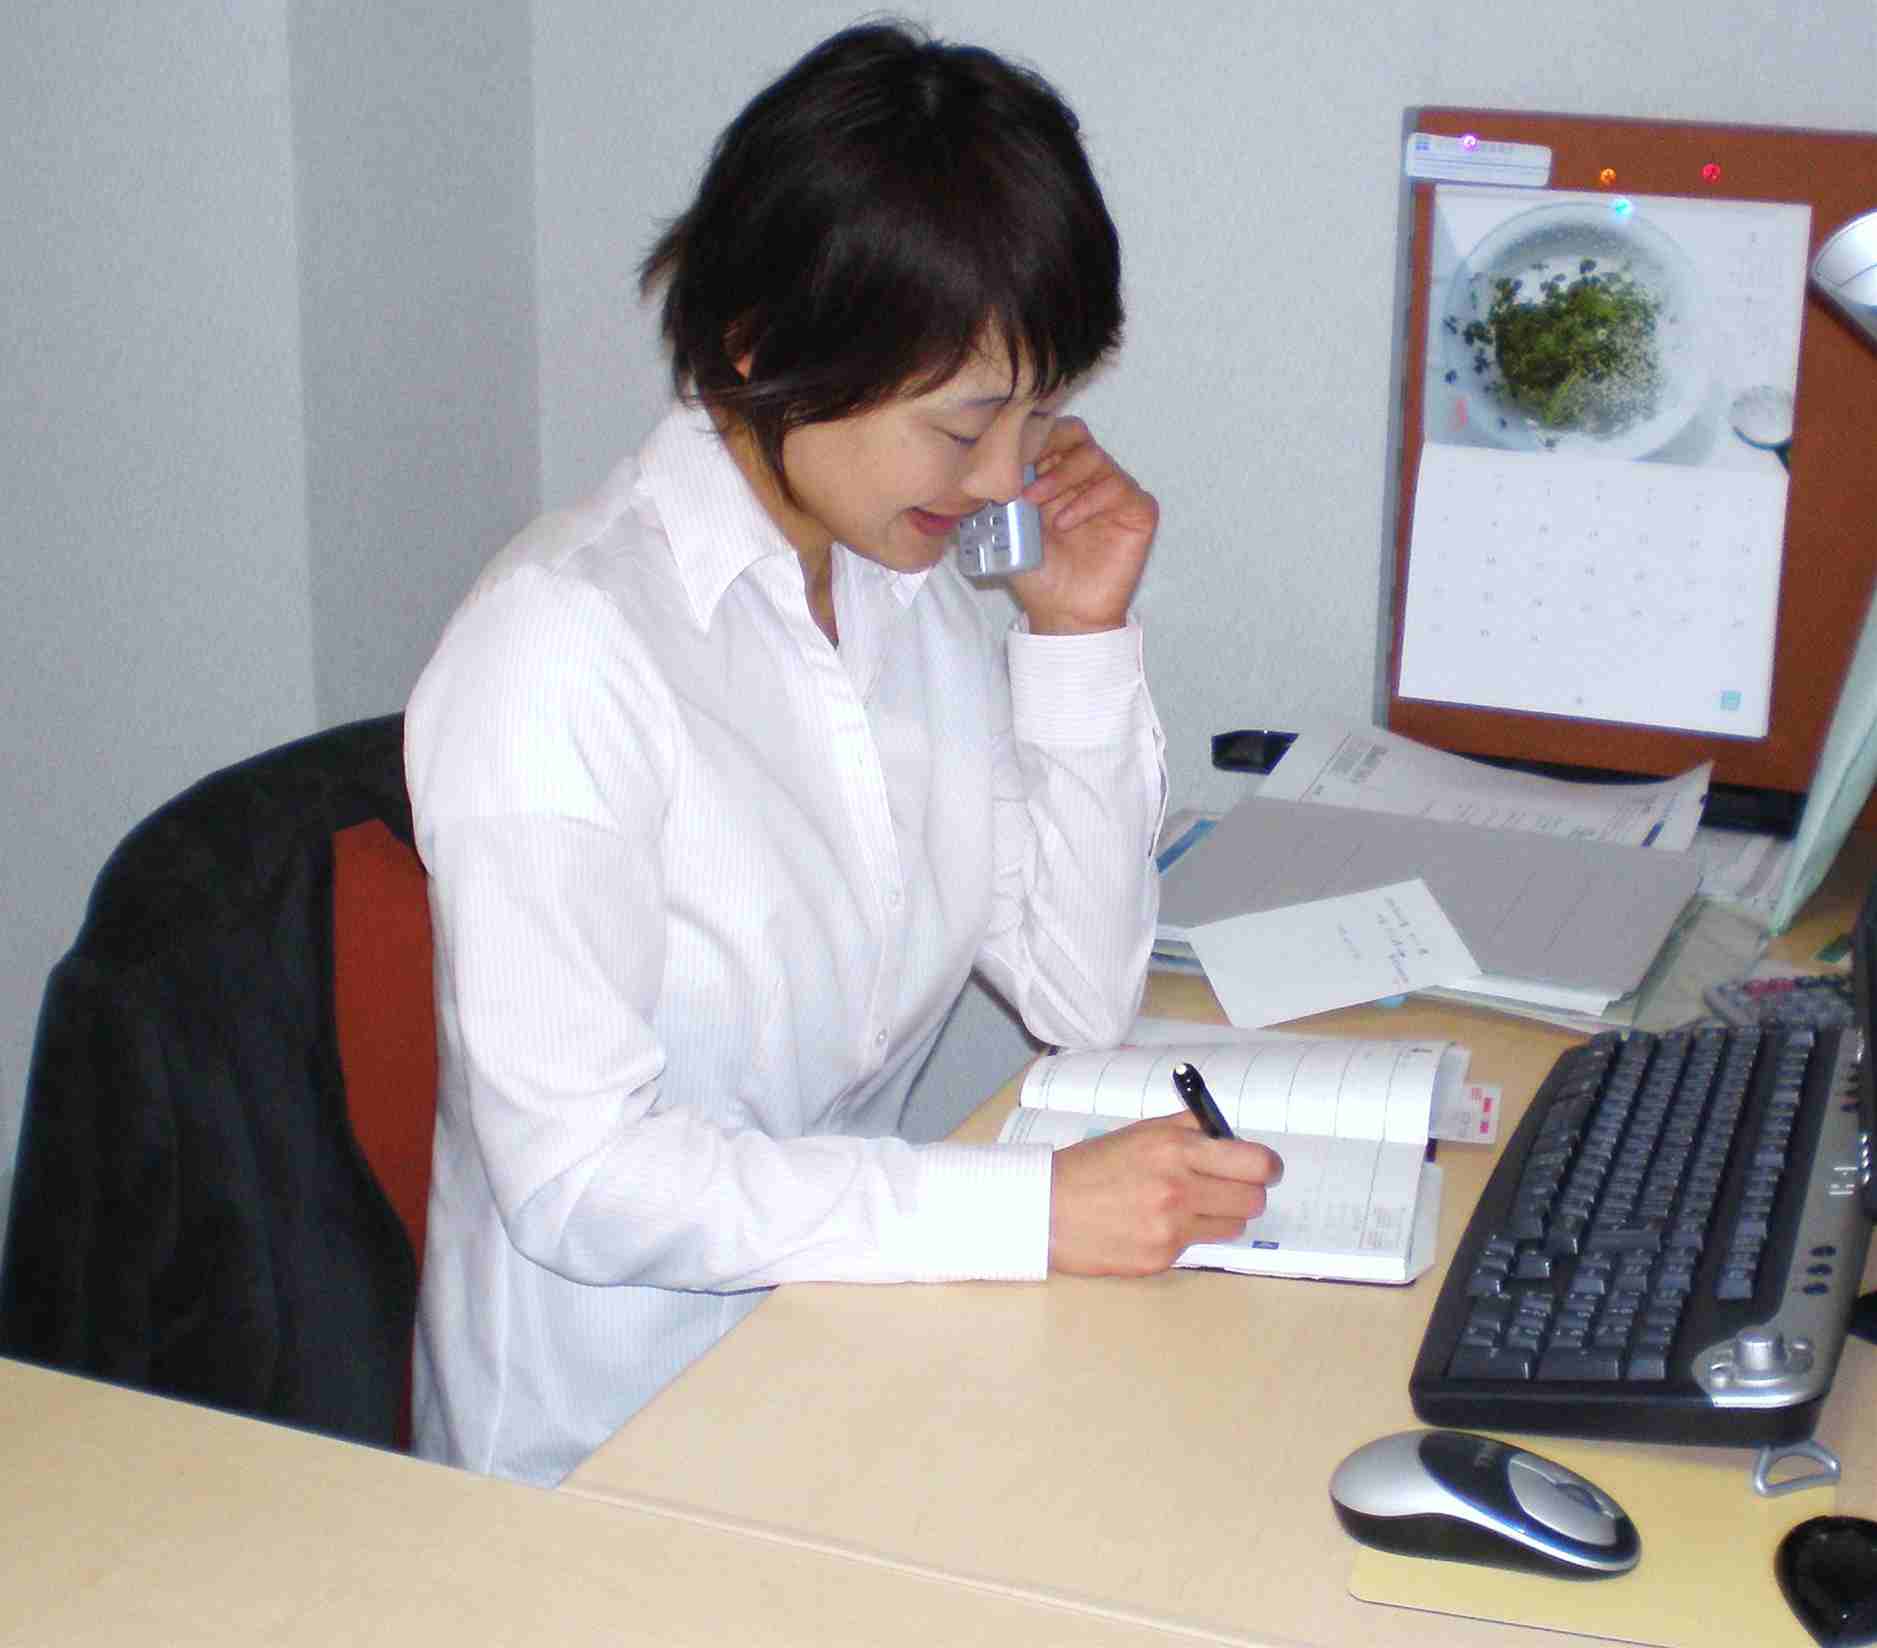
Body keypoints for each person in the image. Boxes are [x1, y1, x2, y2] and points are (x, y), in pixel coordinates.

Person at [405, 20, 1282, 1486]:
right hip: (605, 1459)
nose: (1007, 478)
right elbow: (579, 1183)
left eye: (1038, 415)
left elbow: (1079, 995)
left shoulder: (900, 591)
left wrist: (1075, 638)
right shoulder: (561, 650)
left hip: (841, 1367)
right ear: (763, 342)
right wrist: (1024, 1211)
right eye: (963, 425)